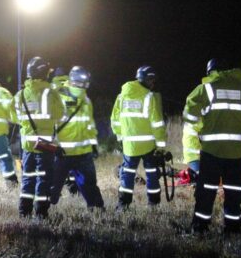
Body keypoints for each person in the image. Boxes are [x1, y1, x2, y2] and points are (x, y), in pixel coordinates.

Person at [184, 59, 241, 233]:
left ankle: (200, 228)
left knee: (206, 191)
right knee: (234, 192)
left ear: (211, 72)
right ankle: (232, 230)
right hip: (235, 153)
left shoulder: (206, 89)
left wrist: (203, 118)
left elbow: (190, 116)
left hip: (211, 151)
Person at [12, 56, 65, 218]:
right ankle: (41, 213)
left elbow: (14, 117)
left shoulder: (20, 94)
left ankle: (24, 212)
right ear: (44, 73)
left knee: (28, 178)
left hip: (28, 145)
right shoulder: (51, 92)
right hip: (45, 144)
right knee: (44, 179)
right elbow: (60, 115)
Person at [110, 65, 166, 211]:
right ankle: (153, 204)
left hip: (129, 145)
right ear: (148, 80)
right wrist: (160, 146)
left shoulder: (121, 96)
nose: (153, 84)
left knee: (127, 175)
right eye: (152, 81)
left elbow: (114, 120)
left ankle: (123, 205)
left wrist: (120, 138)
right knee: (152, 174)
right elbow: (157, 123)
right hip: (148, 145)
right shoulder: (150, 97)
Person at [49, 66, 104, 210]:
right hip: (63, 152)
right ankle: (42, 210)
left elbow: (90, 124)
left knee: (90, 184)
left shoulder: (85, 99)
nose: (84, 85)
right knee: (53, 186)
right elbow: (50, 122)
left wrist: (93, 145)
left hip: (82, 153)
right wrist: (52, 144)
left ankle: (97, 209)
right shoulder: (59, 96)